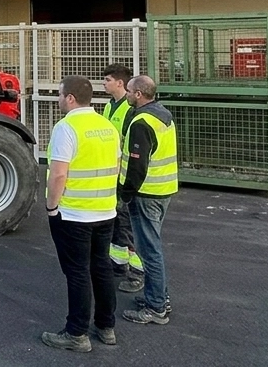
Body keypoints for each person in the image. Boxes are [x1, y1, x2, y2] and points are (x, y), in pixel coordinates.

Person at [41, 75, 121, 352]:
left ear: (70, 98)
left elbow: (58, 174)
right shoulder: (107, 126)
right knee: (102, 268)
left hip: (75, 214)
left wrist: (51, 207)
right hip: (105, 211)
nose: (58, 100)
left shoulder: (66, 127)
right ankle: (106, 327)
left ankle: (76, 333)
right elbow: (116, 165)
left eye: (60, 95)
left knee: (77, 273)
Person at [119, 75, 178, 326]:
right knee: (151, 248)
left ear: (138, 94)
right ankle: (158, 298)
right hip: (163, 190)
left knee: (149, 251)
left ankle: (156, 308)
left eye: (129, 91)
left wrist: (126, 193)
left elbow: (137, 165)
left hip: (146, 194)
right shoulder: (162, 114)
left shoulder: (141, 122)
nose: (127, 94)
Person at [101, 64, 145, 293]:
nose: (104, 83)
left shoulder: (129, 110)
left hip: (125, 175)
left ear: (120, 83)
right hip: (114, 174)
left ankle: (138, 273)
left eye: (107, 80)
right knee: (117, 223)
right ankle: (119, 265)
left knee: (127, 225)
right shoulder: (110, 106)